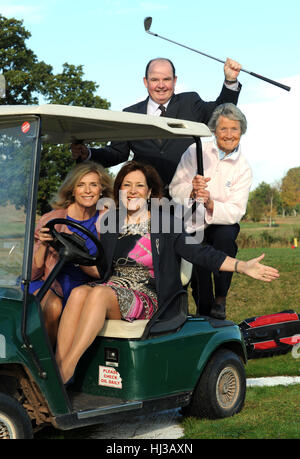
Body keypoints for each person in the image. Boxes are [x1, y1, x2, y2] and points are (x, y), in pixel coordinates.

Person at [55, 161, 278, 384]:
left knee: (97, 294)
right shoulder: (112, 223)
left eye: (139, 186)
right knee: (78, 293)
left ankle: (66, 371)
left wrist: (242, 266)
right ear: (119, 190)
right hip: (113, 288)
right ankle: (57, 366)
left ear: (149, 191)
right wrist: (68, 254)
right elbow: (103, 269)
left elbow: (202, 254)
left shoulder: (166, 224)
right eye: (127, 185)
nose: (133, 191)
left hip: (148, 295)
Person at [70, 57, 242, 190]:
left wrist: (230, 82)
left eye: (166, 80)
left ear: (175, 81)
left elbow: (222, 113)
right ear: (145, 81)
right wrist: (88, 154)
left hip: (186, 195)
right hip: (145, 197)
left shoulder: (190, 102)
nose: (161, 86)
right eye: (154, 80)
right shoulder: (130, 114)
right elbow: (117, 153)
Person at [169, 103, 252, 320]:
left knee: (225, 239)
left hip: (221, 222)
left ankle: (221, 298)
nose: (229, 134)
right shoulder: (195, 151)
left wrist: (211, 204)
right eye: (223, 129)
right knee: (200, 278)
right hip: (192, 222)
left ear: (241, 132)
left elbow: (236, 210)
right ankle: (206, 312)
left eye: (234, 129)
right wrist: (191, 190)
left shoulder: (243, 168)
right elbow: (174, 189)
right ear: (214, 130)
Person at [31, 161, 113, 345]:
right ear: (72, 190)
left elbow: (104, 272)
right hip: (51, 282)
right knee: (52, 307)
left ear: (101, 190)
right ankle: (49, 361)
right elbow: (32, 273)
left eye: (93, 185)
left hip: (88, 285)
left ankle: (68, 364)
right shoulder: (52, 219)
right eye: (81, 185)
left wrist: (77, 258)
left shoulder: (108, 220)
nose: (87, 191)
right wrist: (44, 245)